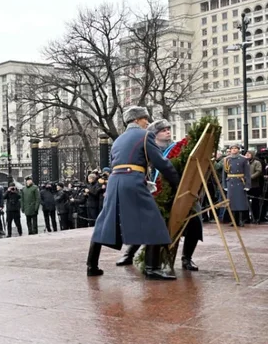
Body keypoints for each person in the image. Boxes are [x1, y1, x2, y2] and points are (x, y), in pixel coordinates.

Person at [85, 106, 180, 280]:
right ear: (136, 120)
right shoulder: (146, 135)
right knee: (154, 221)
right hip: (133, 181)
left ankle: (92, 265)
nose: (148, 122)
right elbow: (161, 162)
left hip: (115, 181)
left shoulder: (119, 140)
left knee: (105, 221)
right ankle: (152, 268)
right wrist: (177, 181)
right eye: (145, 119)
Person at [116, 119, 204, 271]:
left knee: (194, 221)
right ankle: (130, 253)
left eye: (168, 129)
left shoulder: (179, 148)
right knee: (145, 223)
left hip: (179, 191)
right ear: (154, 135)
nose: (168, 132)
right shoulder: (147, 146)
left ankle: (187, 258)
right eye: (163, 130)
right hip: (155, 193)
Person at [222, 143, 251, 227]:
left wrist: (247, 185)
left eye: (236, 148)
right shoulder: (226, 159)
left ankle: (241, 220)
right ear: (230, 150)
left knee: (240, 202)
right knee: (232, 203)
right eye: (232, 148)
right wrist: (224, 185)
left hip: (240, 182)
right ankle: (233, 220)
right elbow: (224, 174)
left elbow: (247, 173)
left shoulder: (243, 159)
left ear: (238, 150)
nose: (234, 150)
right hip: (230, 182)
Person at [245, 151, 263, 224]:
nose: (247, 155)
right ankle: (246, 218)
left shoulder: (256, 162)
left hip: (254, 185)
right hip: (246, 185)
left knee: (255, 203)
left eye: (249, 154)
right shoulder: (244, 162)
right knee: (245, 203)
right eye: (246, 154)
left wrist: (250, 177)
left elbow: (259, 171)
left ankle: (256, 217)